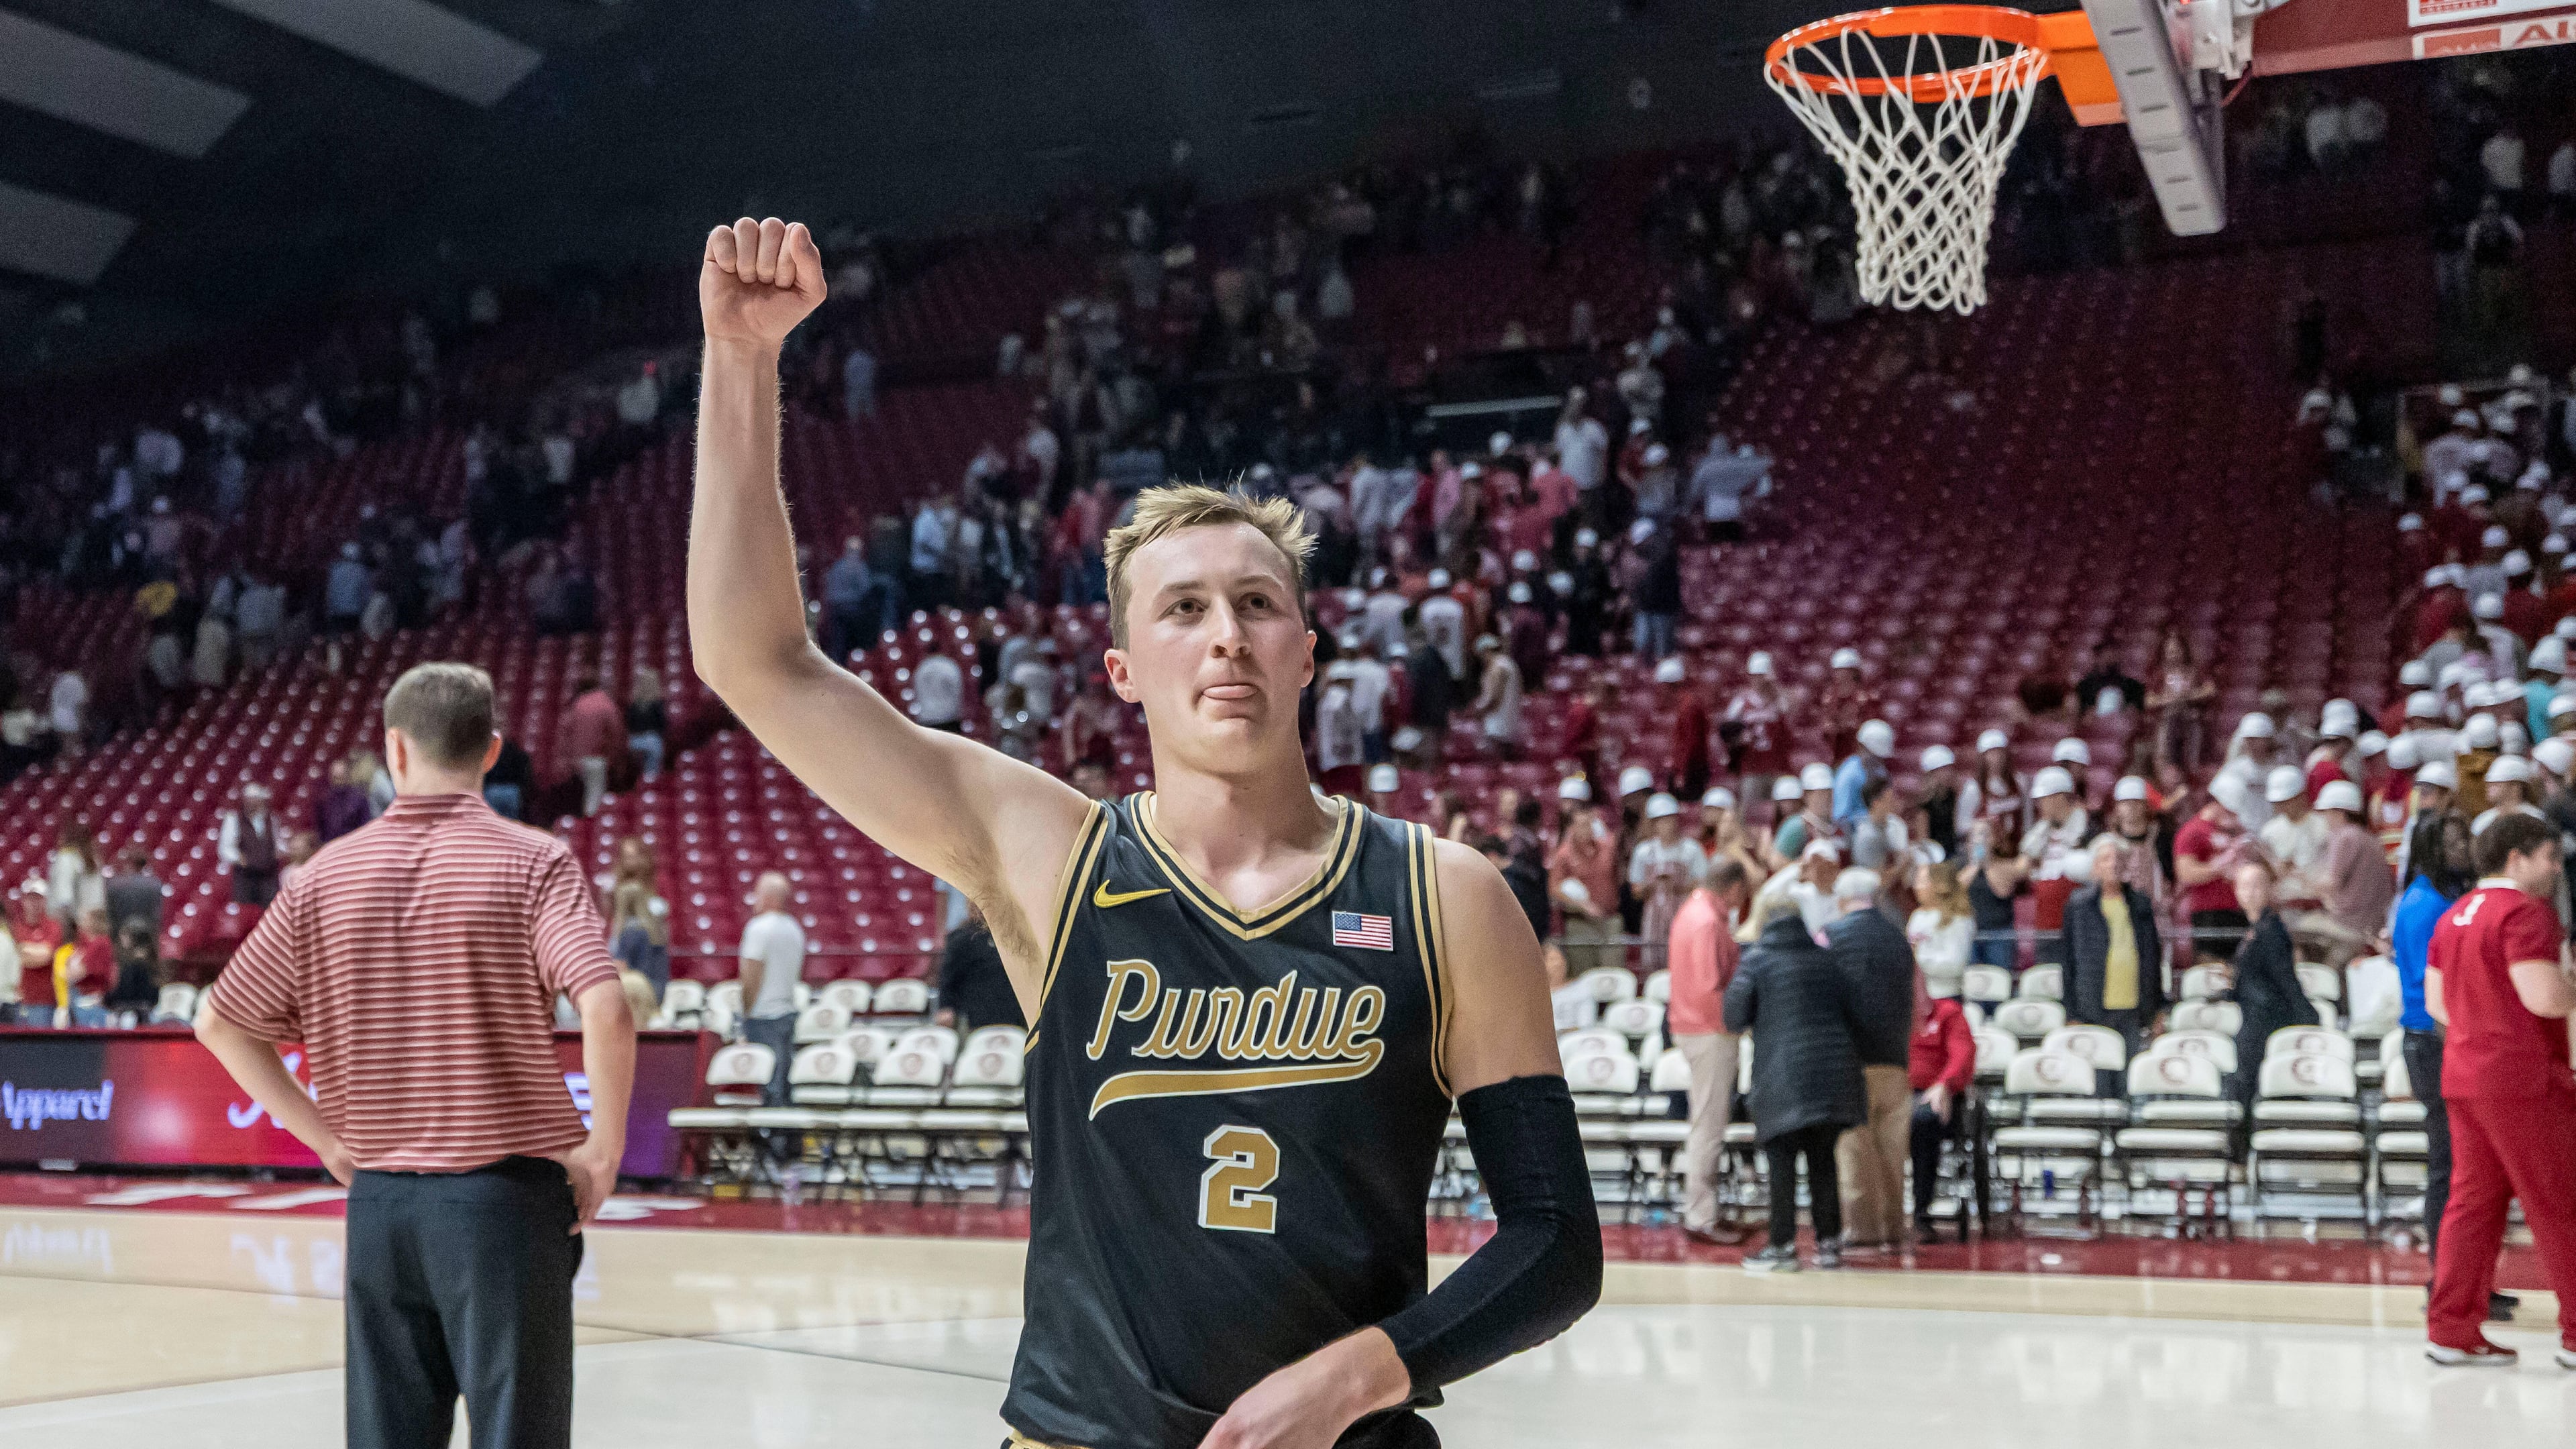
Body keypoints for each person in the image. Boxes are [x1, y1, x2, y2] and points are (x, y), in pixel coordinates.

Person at [690, 219, 1597, 1449]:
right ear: (1122, 670)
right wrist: (740, 360)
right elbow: (756, 660)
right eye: (1184, 609)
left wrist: (1359, 1375)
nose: (1225, 634)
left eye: (1258, 604)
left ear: (1306, 651)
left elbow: (1554, 1240)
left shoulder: (1445, 895)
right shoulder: (1053, 860)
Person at [195, 662, 635, 1449]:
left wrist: (325, 1139)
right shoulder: (535, 862)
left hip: (382, 1207)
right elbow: (607, 1006)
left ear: (394, 750)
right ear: (491, 750)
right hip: (506, 1205)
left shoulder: (320, 877)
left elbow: (220, 1023)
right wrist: (604, 1151)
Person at [2422, 811, 2576, 1367]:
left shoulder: (2453, 916)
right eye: (2549, 857)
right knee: (2560, 1203)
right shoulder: (2525, 914)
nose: (2556, 869)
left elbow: (2437, 1004)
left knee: (2472, 1205)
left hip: (2465, 1075)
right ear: (2516, 857)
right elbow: (2545, 998)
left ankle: (2451, 1330)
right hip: (2524, 1079)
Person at [1725, 890, 1866, 1273]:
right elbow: (1855, 1011)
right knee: (1824, 1161)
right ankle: (1829, 1244)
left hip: (1781, 1075)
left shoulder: (1756, 961)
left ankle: (1782, 1245)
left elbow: (1733, 1016)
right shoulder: (1828, 959)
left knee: (1782, 1163)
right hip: (1833, 1075)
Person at [2393, 810, 2485, 1308]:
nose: (2463, 849)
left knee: (2464, 1168)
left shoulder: (2440, 900)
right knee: (2447, 1167)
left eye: (2464, 839)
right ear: (2431, 848)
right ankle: (2445, 1282)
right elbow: (2435, 990)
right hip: (2434, 1041)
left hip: (2437, 1039)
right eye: (2452, 843)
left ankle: (2467, 1280)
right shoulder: (2427, 905)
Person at [1825, 867, 1918, 1253]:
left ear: (1844, 899)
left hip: (1852, 1059)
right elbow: (1919, 1002)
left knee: (1854, 1147)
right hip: (1895, 1057)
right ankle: (1893, 1226)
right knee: (1892, 1149)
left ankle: (1862, 1228)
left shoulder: (1831, 937)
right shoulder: (1900, 939)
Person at [1667, 858, 1751, 1245]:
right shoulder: (1707, 921)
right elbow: (1709, 987)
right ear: (1734, 888)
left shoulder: (1692, 911)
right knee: (1708, 1126)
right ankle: (1701, 1215)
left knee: (1706, 1122)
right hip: (1709, 1031)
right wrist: (1735, 1023)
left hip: (1696, 1028)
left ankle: (1704, 1209)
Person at [2222, 859, 2318, 1132]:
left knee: (2257, 1086)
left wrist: (2306, 1014)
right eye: (2244, 886)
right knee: (2246, 1085)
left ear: (2268, 890)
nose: (2250, 892)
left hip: (2266, 1019)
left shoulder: (2272, 931)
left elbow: (2284, 977)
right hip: (2254, 1016)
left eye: (2257, 886)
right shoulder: (2257, 929)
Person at [2063, 836, 2167, 1061]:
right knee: (2098, 1072)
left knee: (2130, 1069)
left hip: (2134, 1006)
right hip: (2093, 1006)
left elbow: (2152, 957)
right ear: (2095, 866)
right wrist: (2071, 1012)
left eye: (2119, 859)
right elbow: (2068, 962)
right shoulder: (2079, 905)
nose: (2114, 864)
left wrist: (2158, 1007)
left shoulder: (2140, 903)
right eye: (2106, 859)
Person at [1907, 987, 1974, 1240]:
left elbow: (1962, 1054)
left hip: (1936, 1095)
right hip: (1898, 1094)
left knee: (1923, 1121)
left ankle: (1921, 1213)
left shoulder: (1948, 1013)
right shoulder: (1893, 1016)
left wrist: (1945, 1083)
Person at [736, 871, 807, 1106]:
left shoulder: (758, 928)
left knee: (768, 1087)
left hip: (763, 1016)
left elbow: (751, 975)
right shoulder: (795, 929)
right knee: (783, 1084)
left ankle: (769, 1129)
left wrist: (745, 1012)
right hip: (787, 1014)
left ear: (768, 897)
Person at [1550, 776, 1621, 977]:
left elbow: (1618, 877)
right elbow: (1554, 888)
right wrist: (1583, 905)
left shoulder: (1607, 849)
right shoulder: (1564, 855)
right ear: (1572, 828)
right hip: (1580, 923)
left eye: (1589, 824)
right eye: (1581, 825)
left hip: (1609, 920)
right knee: (1585, 977)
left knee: (1613, 976)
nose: (1587, 829)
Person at [1627, 793, 1705, 955]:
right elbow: (1636, 891)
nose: (1666, 825)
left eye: (1669, 820)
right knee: (1653, 958)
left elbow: (1703, 885)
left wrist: (1680, 887)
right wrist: (1651, 886)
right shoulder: (1643, 852)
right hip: (1653, 918)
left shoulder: (1691, 849)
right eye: (1661, 821)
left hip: (1684, 914)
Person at [936, 913, 1027, 1032]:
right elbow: (948, 977)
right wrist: (946, 1006)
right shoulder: (962, 938)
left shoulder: (1018, 935)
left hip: (1016, 1015)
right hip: (976, 1017)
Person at [556, 672, 627, 817]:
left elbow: (565, 732)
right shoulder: (606, 704)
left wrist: (568, 757)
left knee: (583, 797)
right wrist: (614, 758)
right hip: (597, 758)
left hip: (578, 760)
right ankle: (589, 825)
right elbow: (616, 733)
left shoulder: (579, 703)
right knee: (594, 798)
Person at [1907, 861, 1975, 999]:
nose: (1917, 887)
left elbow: (1955, 964)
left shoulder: (1957, 919)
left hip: (1945, 995)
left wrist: (1917, 961)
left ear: (1940, 885)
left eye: (1923, 881)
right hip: (1917, 995)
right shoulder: (1917, 916)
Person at [217, 784, 284, 906]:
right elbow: (225, 847)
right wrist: (239, 858)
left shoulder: (272, 820)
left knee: (270, 908)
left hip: (268, 875)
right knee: (245, 909)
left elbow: (276, 842)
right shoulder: (234, 819)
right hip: (246, 876)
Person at [46, 820, 103, 929]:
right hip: (95, 918)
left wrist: (64, 928)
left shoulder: (66, 859)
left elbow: (64, 898)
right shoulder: (94, 859)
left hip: (75, 922)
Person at [105, 847, 164, 944]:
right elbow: (156, 914)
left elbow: (111, 913)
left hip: (122, 934)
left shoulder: (115, 885)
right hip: (147, 934)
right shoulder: (155, 884)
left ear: (129, 863)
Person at [627, 667, 669, 782]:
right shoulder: (658, 703)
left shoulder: (634, 704)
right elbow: (663, 725)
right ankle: (650, 783)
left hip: (634, 741)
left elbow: (629, 724)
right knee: (652, 772)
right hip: (651, 741)